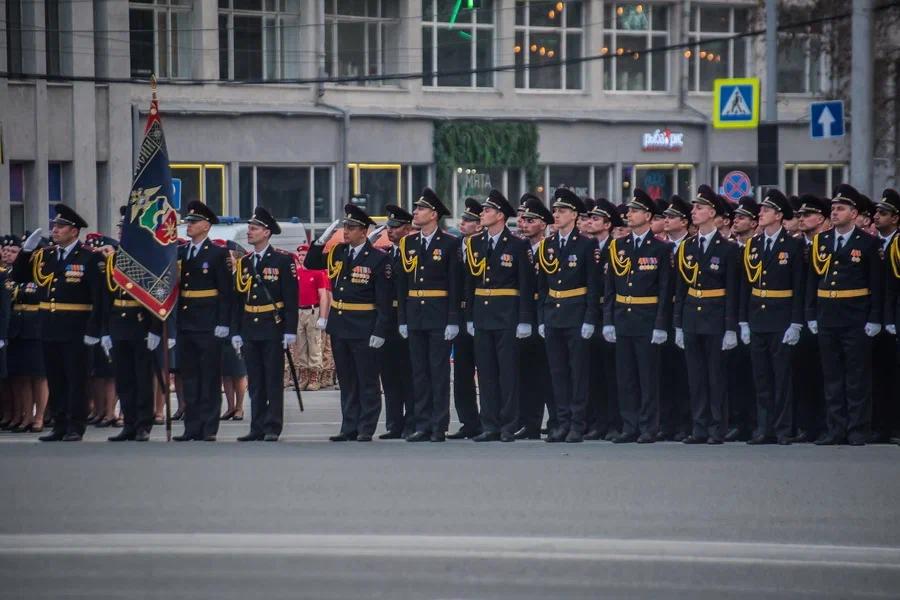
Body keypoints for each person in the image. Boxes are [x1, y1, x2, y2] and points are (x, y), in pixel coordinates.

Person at [11, 205, 101, 442]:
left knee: (76, 379)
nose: (55, 230)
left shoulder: (89, 257)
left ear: (74, 231)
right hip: (49, 327)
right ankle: (59, 424)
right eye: (54, 226)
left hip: (76, 329)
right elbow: (20, 277)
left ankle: (75, 425)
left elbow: (98, 296)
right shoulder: (46, 256)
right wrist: (26, 252)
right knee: (56, 378)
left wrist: (94, 329)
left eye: (60, 227)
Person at [304, 204, 392, 442]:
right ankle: (349, 425)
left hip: (364, 326)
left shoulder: (377, 259)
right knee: (347, 380)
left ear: (364, 231)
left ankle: (366, 427)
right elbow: (311, 263)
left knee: (367, 380)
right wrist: (321, 240)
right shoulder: (339, 252)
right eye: (345, 226)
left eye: (351, 227)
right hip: (340, 324)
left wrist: (380, 330)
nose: (346, 231)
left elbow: (384, 301)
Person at [807, 184, 883, 445]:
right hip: (828, 314)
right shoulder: (822, 241)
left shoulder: (868, 243)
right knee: (832, 377)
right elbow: (812, 281)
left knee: (856, 377)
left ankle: (857, 429)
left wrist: (874, 317)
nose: (835, 212)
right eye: (833, 208)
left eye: (841, 208)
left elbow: (876, 285)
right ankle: (835, 429)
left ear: (854, 213)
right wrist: (811, 314)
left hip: (855, 317)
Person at [602, 189, 673, 443]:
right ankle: (629, 425)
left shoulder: (660, 249)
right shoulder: (618, 246)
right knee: (626, 377)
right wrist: (608, 320)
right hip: (623, 317)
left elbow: (665, 290)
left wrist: (660, 324)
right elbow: (609, 288)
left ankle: (648, 426)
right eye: (629, 211)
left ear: (648, 215)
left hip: (646, 317)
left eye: (634, 211)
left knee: (647, 377)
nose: (629, 215)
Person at [464, 190, 534, 442]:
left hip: (507, 315)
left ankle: (508, 425)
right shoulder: (476, 243)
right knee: (486, 373)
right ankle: (489, 424)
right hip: (483, 314)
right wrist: (470, 315)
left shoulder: (518, 245)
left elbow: (526, 284)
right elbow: (471, 282)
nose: (482, 214)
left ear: (501, 216)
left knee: (507, 373)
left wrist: (525, 318)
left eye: (487, 210)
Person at [738, 189, 805, 445]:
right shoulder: (753, 244)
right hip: (757, 317)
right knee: (762, 377)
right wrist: (743, 321)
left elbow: (799, 286)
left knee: (782, 376)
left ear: (778, 215)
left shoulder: (793, 245)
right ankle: (763, 427)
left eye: (766, 210)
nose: (761, 214)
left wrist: (796, 322)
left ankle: (783, 428)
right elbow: (746, 285)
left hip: (781, 316)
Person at [673, 185, 739, 444]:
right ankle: (699, 426)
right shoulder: (687, 247)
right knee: (696, 377)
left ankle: (716, 427)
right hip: (692, 317)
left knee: (715, 376)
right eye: (694, 208)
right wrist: (678, 324)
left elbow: (733, 291)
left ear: (712, 212)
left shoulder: (728, 249)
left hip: (715, 317)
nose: (694, 212)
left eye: (699, 208)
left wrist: (731, 327)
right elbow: (681, 289)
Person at [536, 188, 601, 443]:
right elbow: (542, 286)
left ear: (574, 215)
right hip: (554, 314)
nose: (556, 215)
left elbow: (593, 286)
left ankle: (577, 423)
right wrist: (542, 317)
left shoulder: (586, 244)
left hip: (576, 315)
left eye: (562, 211)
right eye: (555, 211)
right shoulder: (548, 245)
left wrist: (589, 319)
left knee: (578, 373)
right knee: (558, 372)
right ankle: (562, 422)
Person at [396, 188, 461, 443]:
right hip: (415, 314)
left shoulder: (449, 243)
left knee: (438, 372)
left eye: (420, 209)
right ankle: (422, 424)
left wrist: (453, 318)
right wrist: (402, 318)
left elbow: (455, 284)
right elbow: (402, 285)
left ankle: (438, 425)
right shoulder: (408, 243)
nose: (415, 212)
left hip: (438, 314)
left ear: (433, 214)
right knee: (419, 372)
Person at [230, 207, 298, 442]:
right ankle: (256, 426)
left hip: (272, 327)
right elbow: (238, 300)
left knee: (272, 380)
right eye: (249, 228)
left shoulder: (283, 260)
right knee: (256, 381)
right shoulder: (245, 262)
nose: (250, 232)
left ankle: (272, 426)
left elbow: (291, 298)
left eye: (254, 228)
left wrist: (290, 330)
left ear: (267, 232)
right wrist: (236, 331)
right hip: (250, 327)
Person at [100, 211, 165, 442]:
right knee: (124, 377)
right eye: (119, 227)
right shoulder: (114, 259)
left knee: (142, 378)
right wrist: (105, 330)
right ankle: (128, 423)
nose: (120, 231)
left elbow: (158, 296)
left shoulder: (148, 257)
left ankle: (142, 424)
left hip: (141, 324)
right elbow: (106, 297)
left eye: (124, 227)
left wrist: (156, 328)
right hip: (119, 324)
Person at [172, 201, 233, 442]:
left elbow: (226, 291)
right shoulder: (181, 252)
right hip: (187, 323)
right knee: (190, 378)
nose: (189, 225)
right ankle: (191, 426)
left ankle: (208, 427)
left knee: (209, 377)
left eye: (194, 222)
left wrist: (223, 322)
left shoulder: (217, 253)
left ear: (206, 226)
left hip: (209, 324)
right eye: (188, 221)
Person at [513, 195, 556, 439]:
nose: (523, 223)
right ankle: (529, 423)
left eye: (530, 220)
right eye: (522, 219)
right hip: (523, 315)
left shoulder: (549, 248)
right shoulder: (519, 248)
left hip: (547, 314)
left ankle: (555, 421)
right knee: (526, 373)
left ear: (542, 223)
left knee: (549, 373)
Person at [791, 194, 831, 442]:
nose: (802, 219)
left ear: (822, 219)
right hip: (797, 318)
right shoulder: (797, 245)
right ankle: (806, 425)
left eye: (807, 215)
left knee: (825, 374)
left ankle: (827, 424)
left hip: (826, 315)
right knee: (802, 374)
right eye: (800, 215)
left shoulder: (827, 244)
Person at [582, 198, 621, 441]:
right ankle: (597, 421)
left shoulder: (616, 249)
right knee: (593, 372)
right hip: (591, 316)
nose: (590, 222)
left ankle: (614, 422)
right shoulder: (588, 248)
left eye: (596, 219)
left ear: (608, 224)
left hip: (612, 317)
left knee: (613, 374)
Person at [3, 236, 47, 433]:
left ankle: (40, 417)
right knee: (20, 376)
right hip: (17, 328)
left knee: (38, 376)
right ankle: (25, 415)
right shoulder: (15, 274)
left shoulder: (43, 274)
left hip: (36, 327)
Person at [379, 204, 416, 439]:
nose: (390, 231)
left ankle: (411, 422)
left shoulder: (413, 252)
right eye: (388, 227)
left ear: (408, 228)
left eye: (395, 227)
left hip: (408, 318)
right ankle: (394, 423)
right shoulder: (385, 253)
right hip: (387, 320)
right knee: (389, 375)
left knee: (408, 374)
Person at [725, 197, 759, 442]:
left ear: (754, 223)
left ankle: (757, 421)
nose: (737, 221)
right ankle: (738, 420)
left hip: (757, 317)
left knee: (757, 375)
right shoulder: (731, 249)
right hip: (731, 318)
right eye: (735, 217)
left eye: (743, 217)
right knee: (734, 375)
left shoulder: (756, 249)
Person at [448, 198, 482, 440]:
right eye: (464, 219)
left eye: (469, 220)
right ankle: (468, 421)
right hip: (460, 314)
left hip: (483, 313)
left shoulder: (485, 246)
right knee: (462, 372)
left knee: (490, 371)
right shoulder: (455, 246)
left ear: (480, 224)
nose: (463, 223)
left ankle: (494, 418)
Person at [659, 196, 692, 441]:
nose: (666, 221)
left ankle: (685, 422)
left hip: (687, 315)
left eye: (671, 217)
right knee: (664, 372)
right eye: (665, 217)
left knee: (685, 372)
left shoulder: (690, 246)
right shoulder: (662, 247)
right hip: (662, 315)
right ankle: (667, 422)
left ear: (685, 222)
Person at [871, 189, 899, 442]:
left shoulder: (897, 243)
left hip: (895, 317)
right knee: (880, 374)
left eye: (883, 213)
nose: (877, 217)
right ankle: (881, 425)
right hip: (876, 318)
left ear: (896, 218)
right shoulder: (874, 243)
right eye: (877, 213)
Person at [290, 243, 330, 392]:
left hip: (313, 311)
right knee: (300, 346)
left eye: (304, 255)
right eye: (299, 255)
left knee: (314, 345)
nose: (301, 258)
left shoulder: (317, 272)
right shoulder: (296, 273)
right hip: (298, 311)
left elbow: (323, 295)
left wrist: (323, 317)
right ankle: (303, 376)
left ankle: (314, 377)